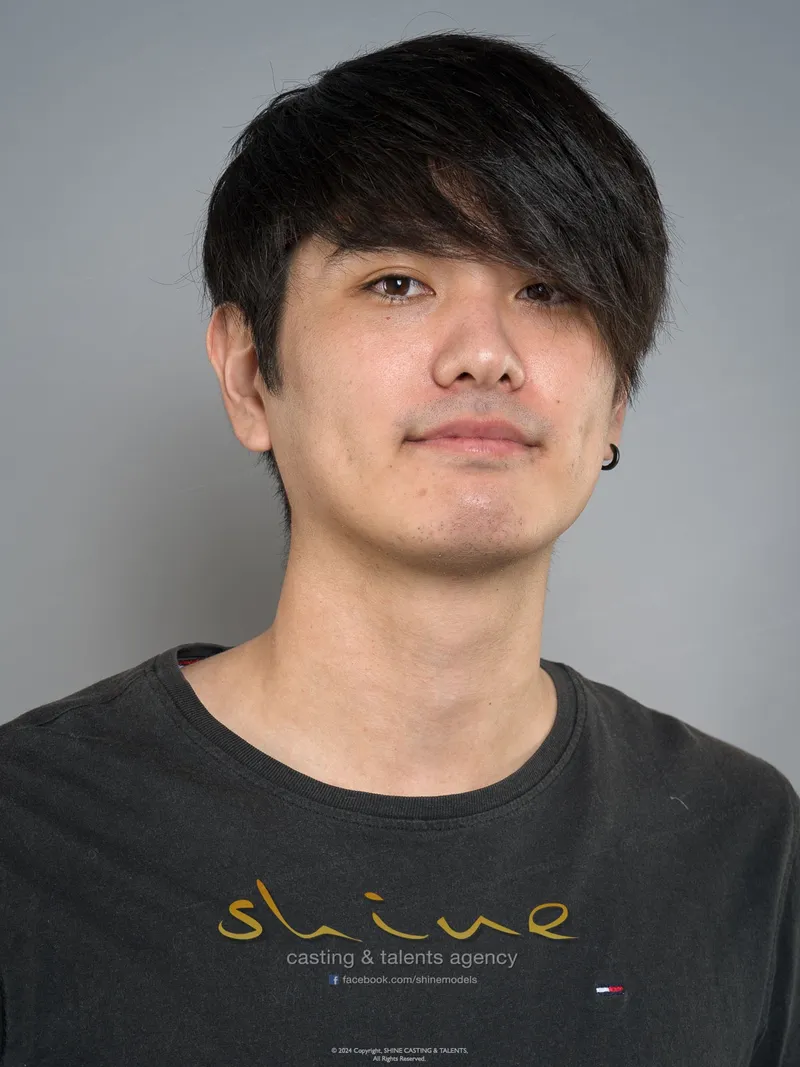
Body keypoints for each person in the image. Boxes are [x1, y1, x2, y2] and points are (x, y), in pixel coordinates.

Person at [0, 29, 797, 1067]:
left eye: (548, 288)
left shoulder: (741, 839)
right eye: (396, 283)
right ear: (248, 375)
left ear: (615, 400)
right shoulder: (26, 827)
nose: (484, 354)